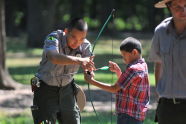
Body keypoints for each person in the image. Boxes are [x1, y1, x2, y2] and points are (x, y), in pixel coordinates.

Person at [31, 18, 94, 124]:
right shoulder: (53, 37)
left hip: (67, 91)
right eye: (74, 37)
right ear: (66, 31)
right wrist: (80, 60)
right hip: (45, 90)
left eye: (82, 38)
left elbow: (88, 68)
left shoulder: (86, 45)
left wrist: (89, 73)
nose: (77, 42)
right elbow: (54, 57)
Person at [84, 37, 150, 124]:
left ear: (134, 52)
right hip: (136, 116)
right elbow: (129, 85)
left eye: (124, 55)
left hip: (127, 117)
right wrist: (118, 72)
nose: (123, 59)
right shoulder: (143, 66)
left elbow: (114, 88)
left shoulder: (132, 69)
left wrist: (92, 81)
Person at [149, 0, 186, 124]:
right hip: (167, 106)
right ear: (169, 7)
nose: (183, 10)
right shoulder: (160, 31)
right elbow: (158, 63)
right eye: (178, 6)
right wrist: (159, 92)